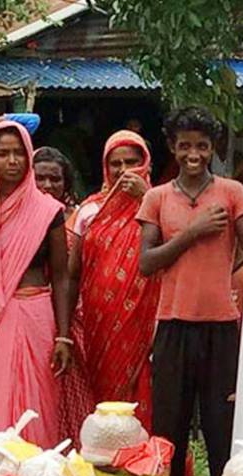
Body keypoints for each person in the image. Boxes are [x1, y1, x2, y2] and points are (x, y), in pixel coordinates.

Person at [137, 106, 243, 476]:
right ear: (172, 147)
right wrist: (192, 232)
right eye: (184, 145)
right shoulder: (156, 198)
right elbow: (147, 262)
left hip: (222, 327)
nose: (193, 154)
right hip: (172, 326)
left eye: (202, 146)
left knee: (222, 430)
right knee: (169, 429)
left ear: (213, 149)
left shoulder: (232, 192)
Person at [0, 118, 78, 449]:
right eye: (3, 153)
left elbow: (61, 276)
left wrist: (64, 335)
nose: (12, 161)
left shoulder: (48, 209)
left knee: (35, 403)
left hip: (32, 314)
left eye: (19, 153)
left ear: (29, 156)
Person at [72, 129, 159, 427]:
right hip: (98, 320)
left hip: (146, 319)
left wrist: (145, 197)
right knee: (102, 396)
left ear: (145, 164)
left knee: (142, 393)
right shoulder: (90, 209)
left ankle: (143, 463)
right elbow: (72, 272)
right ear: (105, 167)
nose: (124, 171)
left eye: (132, 162)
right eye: (116, 163)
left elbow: (176, 239)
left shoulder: (160, 203)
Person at [33, 145, 79, 216]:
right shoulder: (14, 215)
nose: (47, 185)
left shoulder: (80, 218)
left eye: (55, 179)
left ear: (66, 183)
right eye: (40, 179)